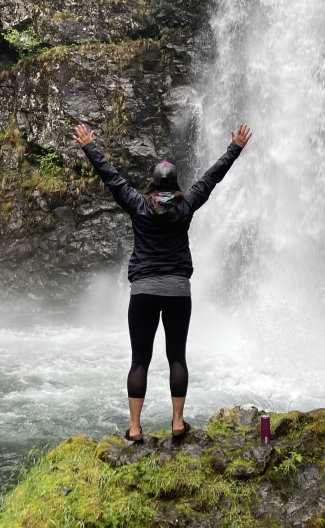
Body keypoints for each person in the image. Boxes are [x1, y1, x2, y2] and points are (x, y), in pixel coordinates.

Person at [72, 121, 252, 442]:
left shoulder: (138, 204)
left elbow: (110, 176)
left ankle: (135, 429)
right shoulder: (186, 204)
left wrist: (89, 145)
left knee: (140, 359)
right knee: (177, 357)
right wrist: (235, 147)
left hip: (143, 291)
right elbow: (212, 177)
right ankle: (178, 423)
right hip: (178, 292)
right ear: (175, 183)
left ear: (151, 184)